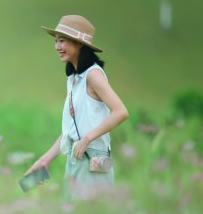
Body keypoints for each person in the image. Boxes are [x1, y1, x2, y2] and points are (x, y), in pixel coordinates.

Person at [25, 15, 129, 199]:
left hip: (93, 159)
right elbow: (70, 132)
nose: (57, 47)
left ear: (79, 44)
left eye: (62, 41)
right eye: (56, 41)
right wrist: (44, 160)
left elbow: (121, 112)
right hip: (76, 157)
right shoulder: (74, 79)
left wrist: (88, 138)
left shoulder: (93, 75)